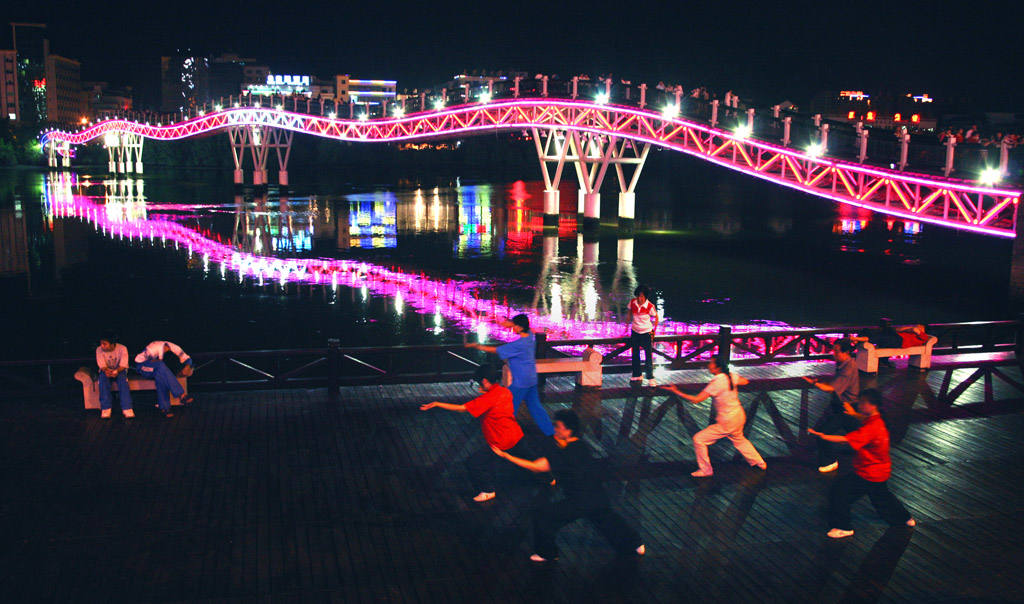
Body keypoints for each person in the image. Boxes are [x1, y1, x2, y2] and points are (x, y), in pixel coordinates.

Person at [492, 409, 645, 561]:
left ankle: (547, 553)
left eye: (558, 426)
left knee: (544, 516)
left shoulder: (562, 454)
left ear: (568, 430)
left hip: (579, 500)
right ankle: (635, 544)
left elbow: (536, 466)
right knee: (607, 519)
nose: (555, 429)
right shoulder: (581, 445)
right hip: (598, 496)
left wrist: (507, 456)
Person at [421, 364, 537, 502]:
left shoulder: (487, 399)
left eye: (479, 382)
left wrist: (437, 403)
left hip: (500, 443)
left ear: (484, 381)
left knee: (474, 464)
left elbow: (461, 408)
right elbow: (494, 402)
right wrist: (487, 394)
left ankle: (488, 491)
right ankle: (549, 479)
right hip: (516, 435)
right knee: (529, 459)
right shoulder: (505, 392)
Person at [808, 389, 916, 538]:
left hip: (868, 472)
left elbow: (846, 439)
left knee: (839, 493)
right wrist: (853, 414)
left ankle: (843, 527)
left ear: (872, 405)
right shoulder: (878, 419)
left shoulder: (871, 428)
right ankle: (904, 518)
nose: (860, 404)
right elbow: (864, 420)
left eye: (863, 402)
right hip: (881, 471)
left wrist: (824, 436)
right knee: (882, 496)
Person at [662, 356, 767, 477]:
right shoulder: (731, 376)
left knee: (699, 439)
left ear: (717, 368)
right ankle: (759, 462)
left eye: (711, 364)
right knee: (739, 439)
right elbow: (745, 381)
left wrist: (677, 391)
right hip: (738, 415)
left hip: (727, 420)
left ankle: (706, 470)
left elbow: (697, 399)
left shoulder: (717, 382)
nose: (708, 365)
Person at [467, 314, 554, 436]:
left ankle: (504, 434)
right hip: (531, 379)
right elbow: (518, 326)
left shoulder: (520, 344)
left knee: (508, 409)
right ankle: (551, 432)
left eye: (515, 326)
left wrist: (478, 346)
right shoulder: (530, 336)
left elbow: (496, 350)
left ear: (518, 327)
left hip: (521, 383)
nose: (513, 328)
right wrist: (504, 323)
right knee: (536, 408)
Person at [802, 339, 860, 473]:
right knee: (856, 432)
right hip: (844, 406)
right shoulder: (845, 363)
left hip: (846, 408)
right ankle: (869, 448)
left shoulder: (848, 368)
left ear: (846, 352)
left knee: (824, 432)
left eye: (836, 351)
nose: (833, 353)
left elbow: (831, 388)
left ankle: (830, 461)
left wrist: (814, 383)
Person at [135, 340, 195, 417]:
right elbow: (139, 361)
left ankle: (165, 408)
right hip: (143, 366)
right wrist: (155, 362)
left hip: (159, 368)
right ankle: (181, 395)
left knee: (160, 375)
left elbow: (187, 359)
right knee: (160, 365)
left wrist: (187, 366)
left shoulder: (176, 349)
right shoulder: (152, 350)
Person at [95, 331, 133, 419]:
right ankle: (106, 408)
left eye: (104, 344)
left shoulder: (122, 348)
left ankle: (127, 408)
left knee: (123, 381)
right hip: (106, 371)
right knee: (103, 380)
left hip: (119, 370)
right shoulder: (99, 350)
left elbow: (123, 365)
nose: (102, 346)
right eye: (101, 343)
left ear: (112, 344)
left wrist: (116, 371)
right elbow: (102, 365)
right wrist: (106, 371)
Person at [627, 284, 659, 387]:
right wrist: (626, 327)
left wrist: (654, 330)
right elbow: (629, 313)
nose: (639, 299)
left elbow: (656, 317)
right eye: (638, 296)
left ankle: (650, 377)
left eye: (641, 296)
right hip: (635, 331)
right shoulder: (632, 302)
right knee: (635, 354)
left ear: (645, 296)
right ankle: (637, 374)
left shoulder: (650, 306)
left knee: (648, 355)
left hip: (646, 332)